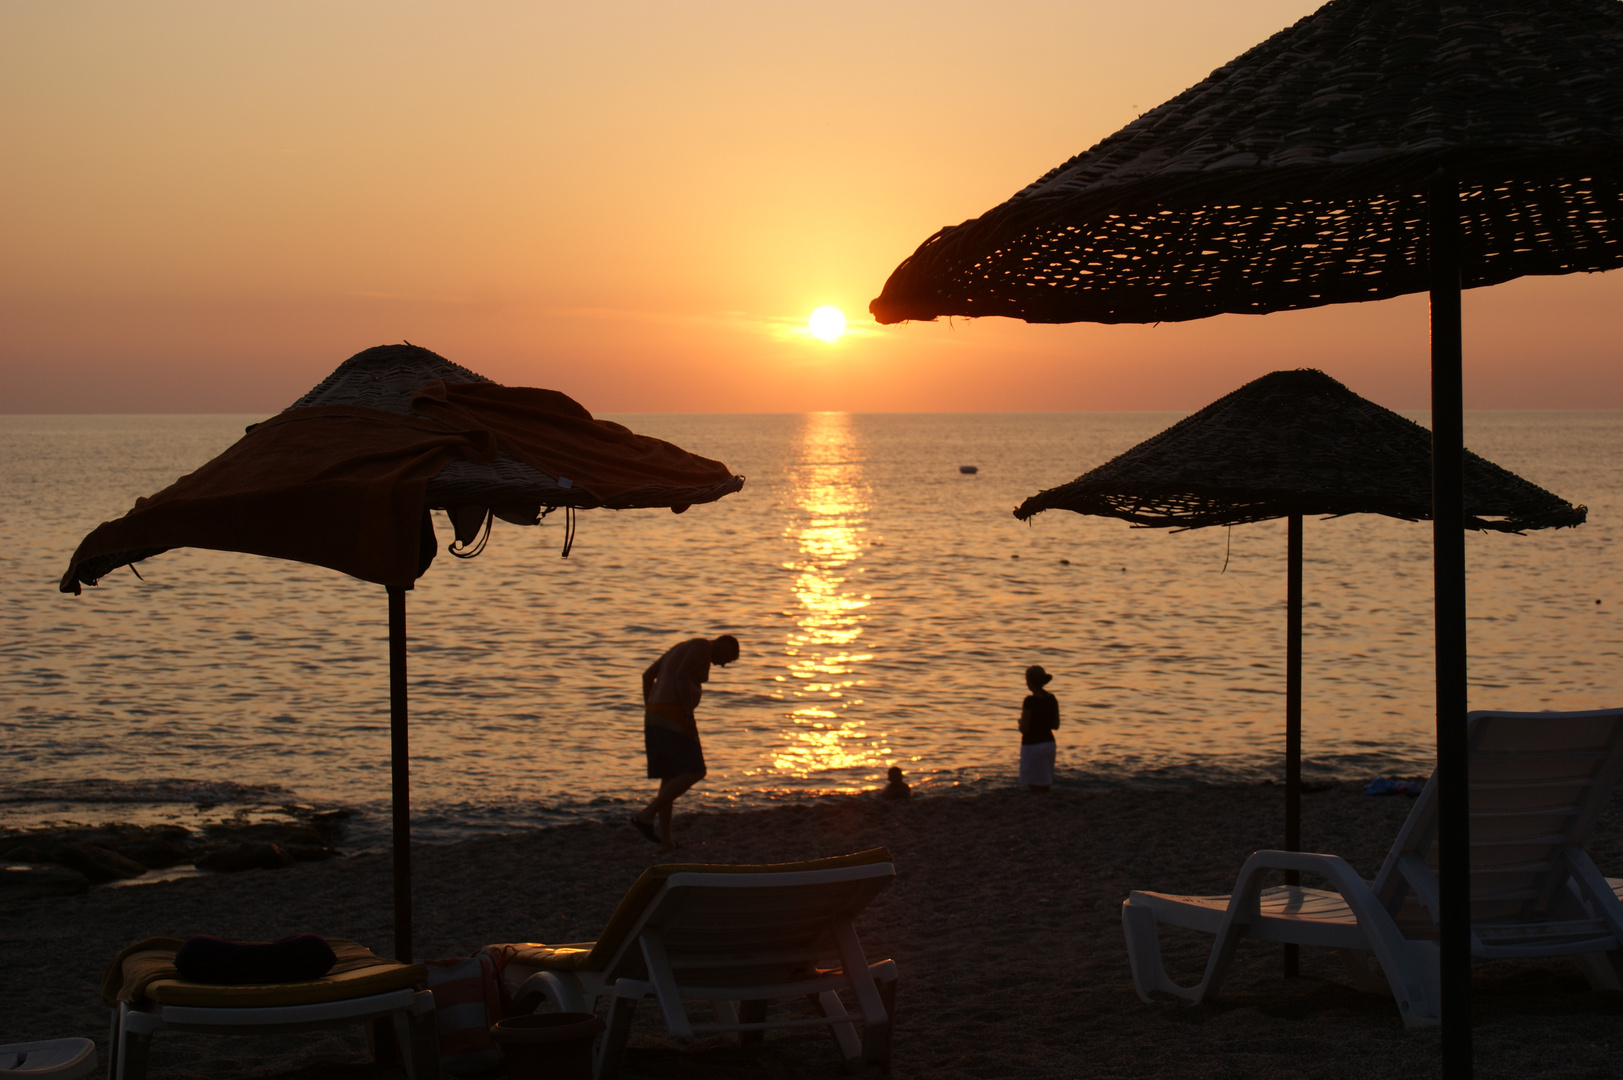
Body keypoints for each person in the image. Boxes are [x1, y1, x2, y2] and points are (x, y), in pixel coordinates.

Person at [630, 634, 740, 846]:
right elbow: (681, 676)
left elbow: (647, 675)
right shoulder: (701, 646)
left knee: (670, 776)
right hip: (674, 714)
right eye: (730, 658)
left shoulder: (681, 647)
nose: (725, 665)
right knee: (696, 771)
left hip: (655, 713)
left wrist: (650, 707)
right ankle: (645, 815)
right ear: (725, 645)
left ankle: (667, 841)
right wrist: (689, 717)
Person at [1018, 664, 1059, 793]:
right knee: (1046, 780)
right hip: (1048, 743)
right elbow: (1056, 725)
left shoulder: (1029, 701)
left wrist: (1020, 723)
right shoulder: (1052, 699)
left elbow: (1024, 728)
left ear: (1029, 682)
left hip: (1032, 745)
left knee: (1033, 783)